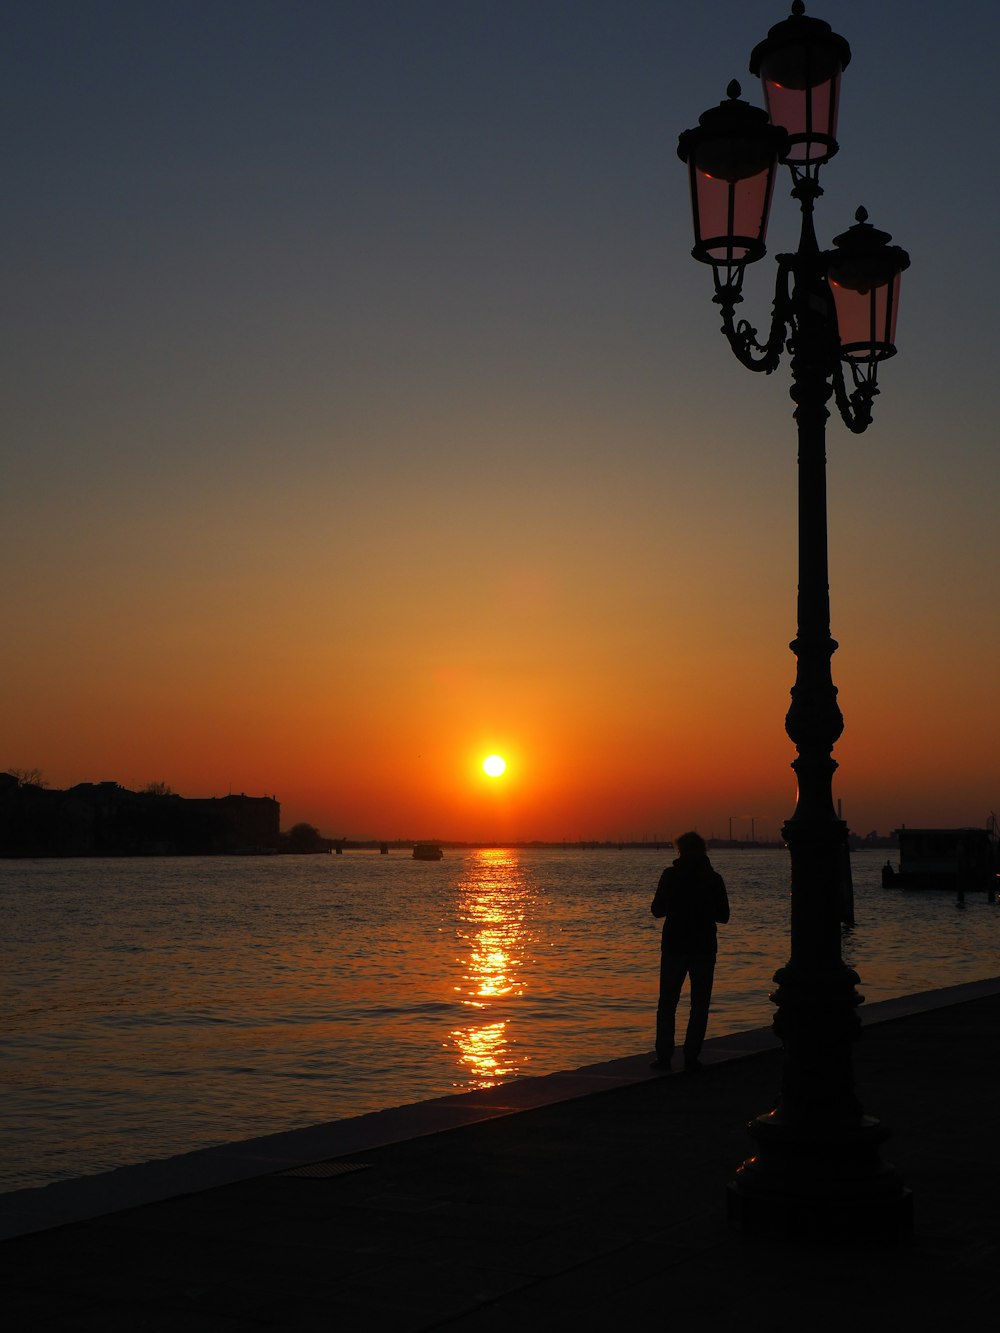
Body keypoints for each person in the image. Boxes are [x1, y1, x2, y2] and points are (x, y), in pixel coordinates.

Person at [650, 831, 730, 1073]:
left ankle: (664, 1057)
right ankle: (692, 1056)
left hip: (674, 946)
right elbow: (723, 916)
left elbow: (657, 910)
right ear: (703, 851)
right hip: (704, 947)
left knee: (667, 1003)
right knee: (700, 1003)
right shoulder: (713, 879)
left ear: (680, 851)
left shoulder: (670, 876)